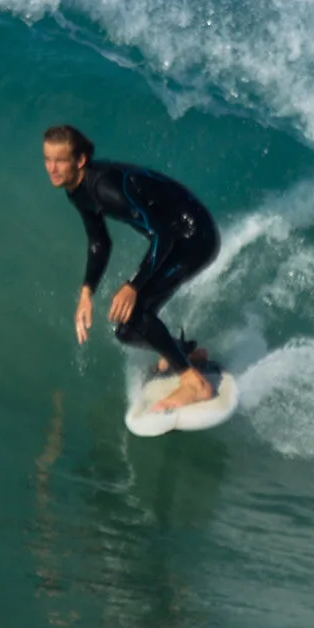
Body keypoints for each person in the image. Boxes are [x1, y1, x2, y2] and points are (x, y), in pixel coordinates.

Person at [42, 123, 220, 412]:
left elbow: (163, 234)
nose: (52, 168)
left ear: (80, 160)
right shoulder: (75, 189)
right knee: (127, 330)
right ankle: (187, 355)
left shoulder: (105, 188)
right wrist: (87, 292)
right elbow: (99, 241)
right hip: (175, 239)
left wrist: (133, 286)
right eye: (47, 159)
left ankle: (194, 383)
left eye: (60, 160)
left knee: (135, 312)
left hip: (194, 237)